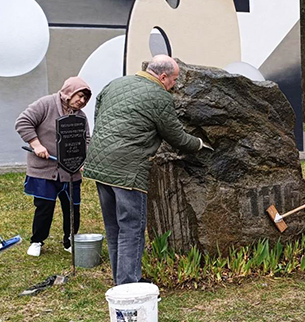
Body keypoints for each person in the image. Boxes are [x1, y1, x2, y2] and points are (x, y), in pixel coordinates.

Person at [84, 55, 212, 285]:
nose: (174, 85)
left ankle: (121, 279)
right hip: (128, 170)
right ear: (163, 77)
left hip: (99, 164)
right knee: (131, 228)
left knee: (114, 227)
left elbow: (99, 116)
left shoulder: (115, 84)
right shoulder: (159, 96)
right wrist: (199, 144)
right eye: (174, 80)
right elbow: (175, 136)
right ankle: (128, 285)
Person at [15, 77, 92, 257]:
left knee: (72, 207)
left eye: (85, 98)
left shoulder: (80, 117)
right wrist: (36, 145)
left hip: (70, 171)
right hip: (44, 169)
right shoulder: (46, 104)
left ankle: (70, 240)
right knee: (44, 206)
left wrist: (82, 159)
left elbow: (86, 139)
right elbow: (23, 122)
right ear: (70, 92)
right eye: (80, 96)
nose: (82, 101)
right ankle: (37, 241)